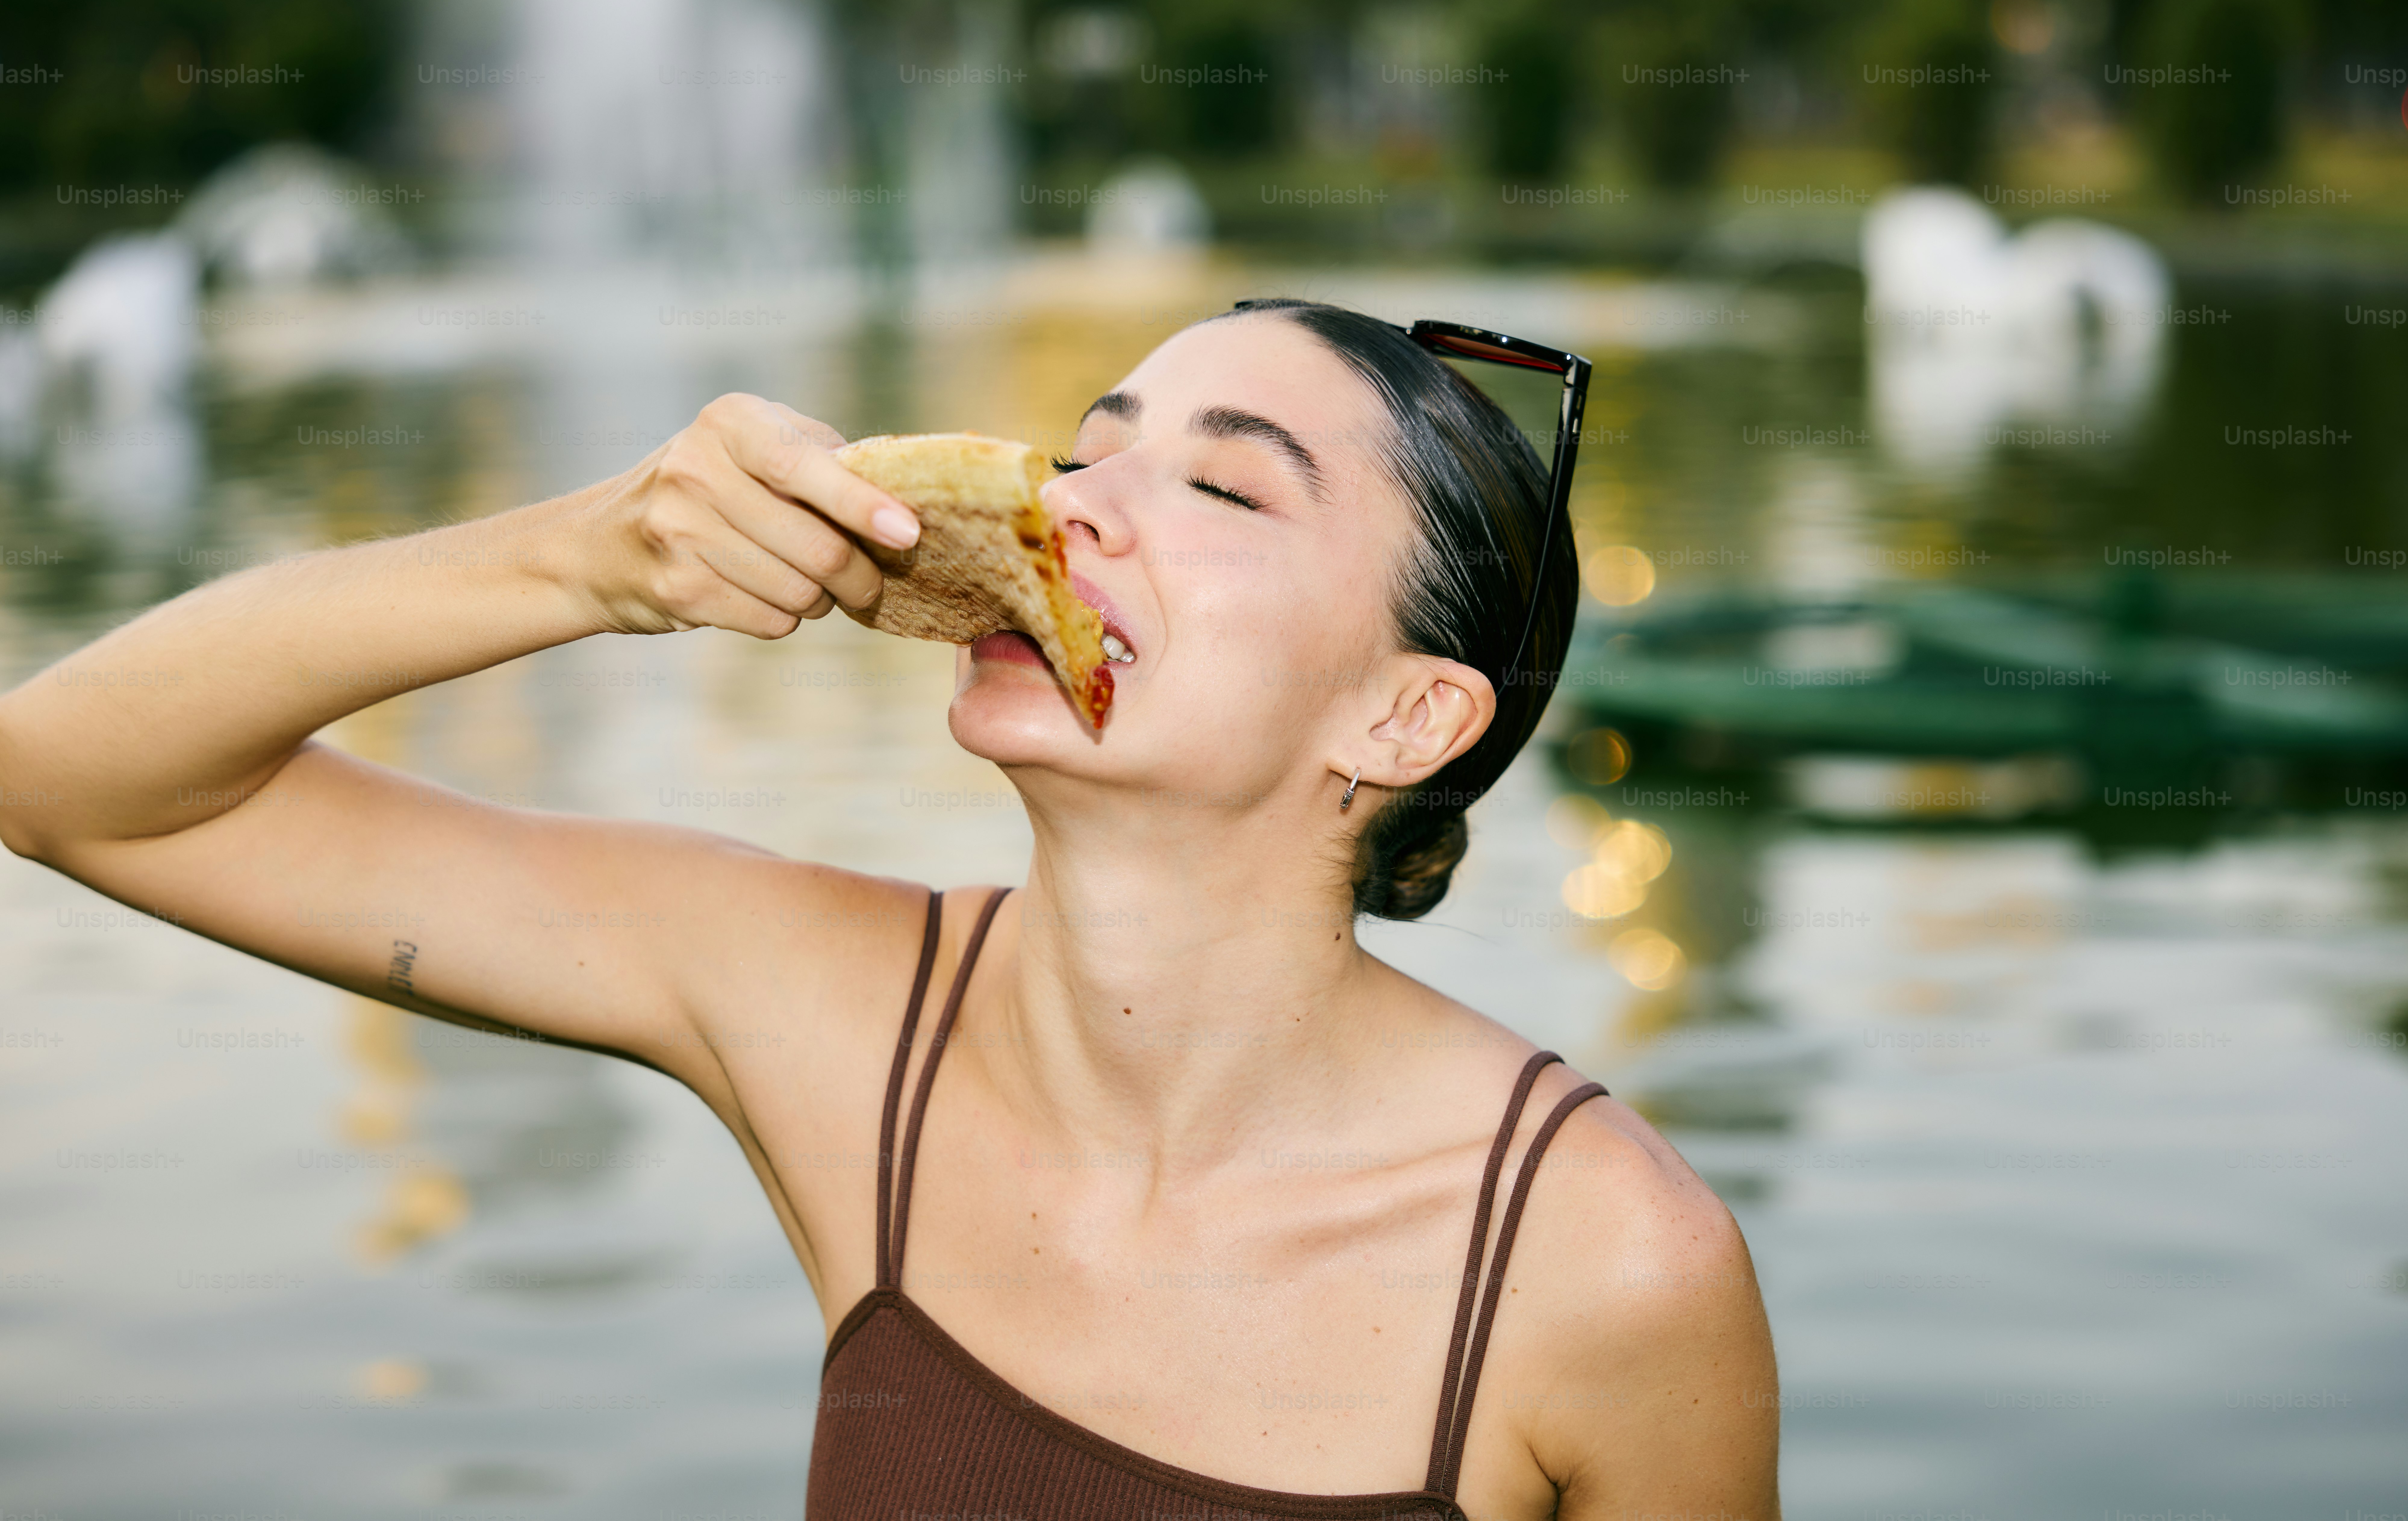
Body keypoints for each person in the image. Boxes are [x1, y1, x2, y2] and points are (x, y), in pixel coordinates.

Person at [0, 300, 1779, 1518]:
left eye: (1224, 485)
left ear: (1405, 717)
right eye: (1089, 451)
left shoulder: (1602, 1266)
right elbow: (70, 777)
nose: (1072, 508)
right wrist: (587, 558)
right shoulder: (837, 1016)